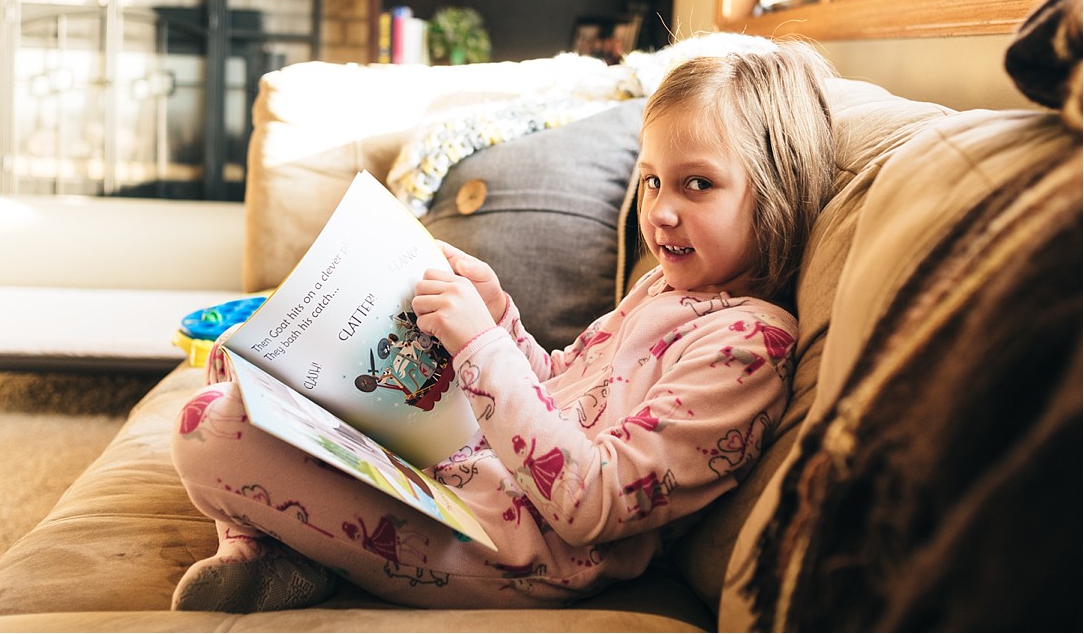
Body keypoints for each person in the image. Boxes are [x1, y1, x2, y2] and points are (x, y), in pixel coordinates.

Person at [169, 36, 837, 612]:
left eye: (698, 184)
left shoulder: (751, 348)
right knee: (243, 359)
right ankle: (283, 556)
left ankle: (283, 544)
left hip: (521, 548)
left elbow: (592, 501)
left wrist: (481, 346)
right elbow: (556, 385)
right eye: (655, 181)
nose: (660, 211)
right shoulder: (665, 286)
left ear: (776, 191)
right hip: (481, 468)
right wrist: (500, 317)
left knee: (209, 426)